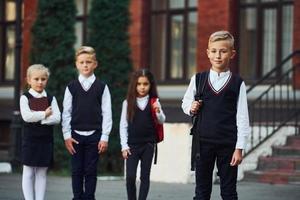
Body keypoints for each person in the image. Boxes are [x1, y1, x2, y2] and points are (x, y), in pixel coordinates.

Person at [182, 30, 250, 200]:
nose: (218, 55)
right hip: (203, 143)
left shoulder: (237, 83)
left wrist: (239, 148)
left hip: (228, 144)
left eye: (223, 51)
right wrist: (192, 107)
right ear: (208, 53)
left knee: (228, 192)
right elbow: (185, 103)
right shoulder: (198, 79)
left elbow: (242, 118)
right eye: (213, 51)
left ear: (232, 54)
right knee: (202, 192)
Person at [61, 46, 112, 200]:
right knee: (76, 171)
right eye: (82, 62)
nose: (85, 65)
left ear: (95, 64)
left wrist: (105, 136)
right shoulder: (71, 87)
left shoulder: (102, 87)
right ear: (76, 64)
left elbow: (107, 112)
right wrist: (66, 135)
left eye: (88, 62)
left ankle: (89, 197)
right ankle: (77, 197)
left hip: (94, 136)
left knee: (91, 171)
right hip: (75, 136)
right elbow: (66, 113)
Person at [119, 69, 166, 200]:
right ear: (134, 85)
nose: (142, 87)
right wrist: (124, 146)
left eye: (145, 84)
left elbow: (162, 120)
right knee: (130, 177)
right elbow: (123, 125)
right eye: (139, 84)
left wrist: (158, 111)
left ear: (150, 85)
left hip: (148, 145)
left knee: (145, 176)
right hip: (132, 146)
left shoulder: (154, 102)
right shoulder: (127, 103)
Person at [20, 64, 61, 200]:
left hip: (45, 140)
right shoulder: (25, 97)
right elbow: (26, 116)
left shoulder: (50, 98)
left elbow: (57, 118)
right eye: (36, 79)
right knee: (28, 172)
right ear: (29, 80)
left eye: (43, 79)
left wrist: (38, 117)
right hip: (30, 139)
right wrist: (44, 114)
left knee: (42, 173)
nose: (39, 82)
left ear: (46, 80)